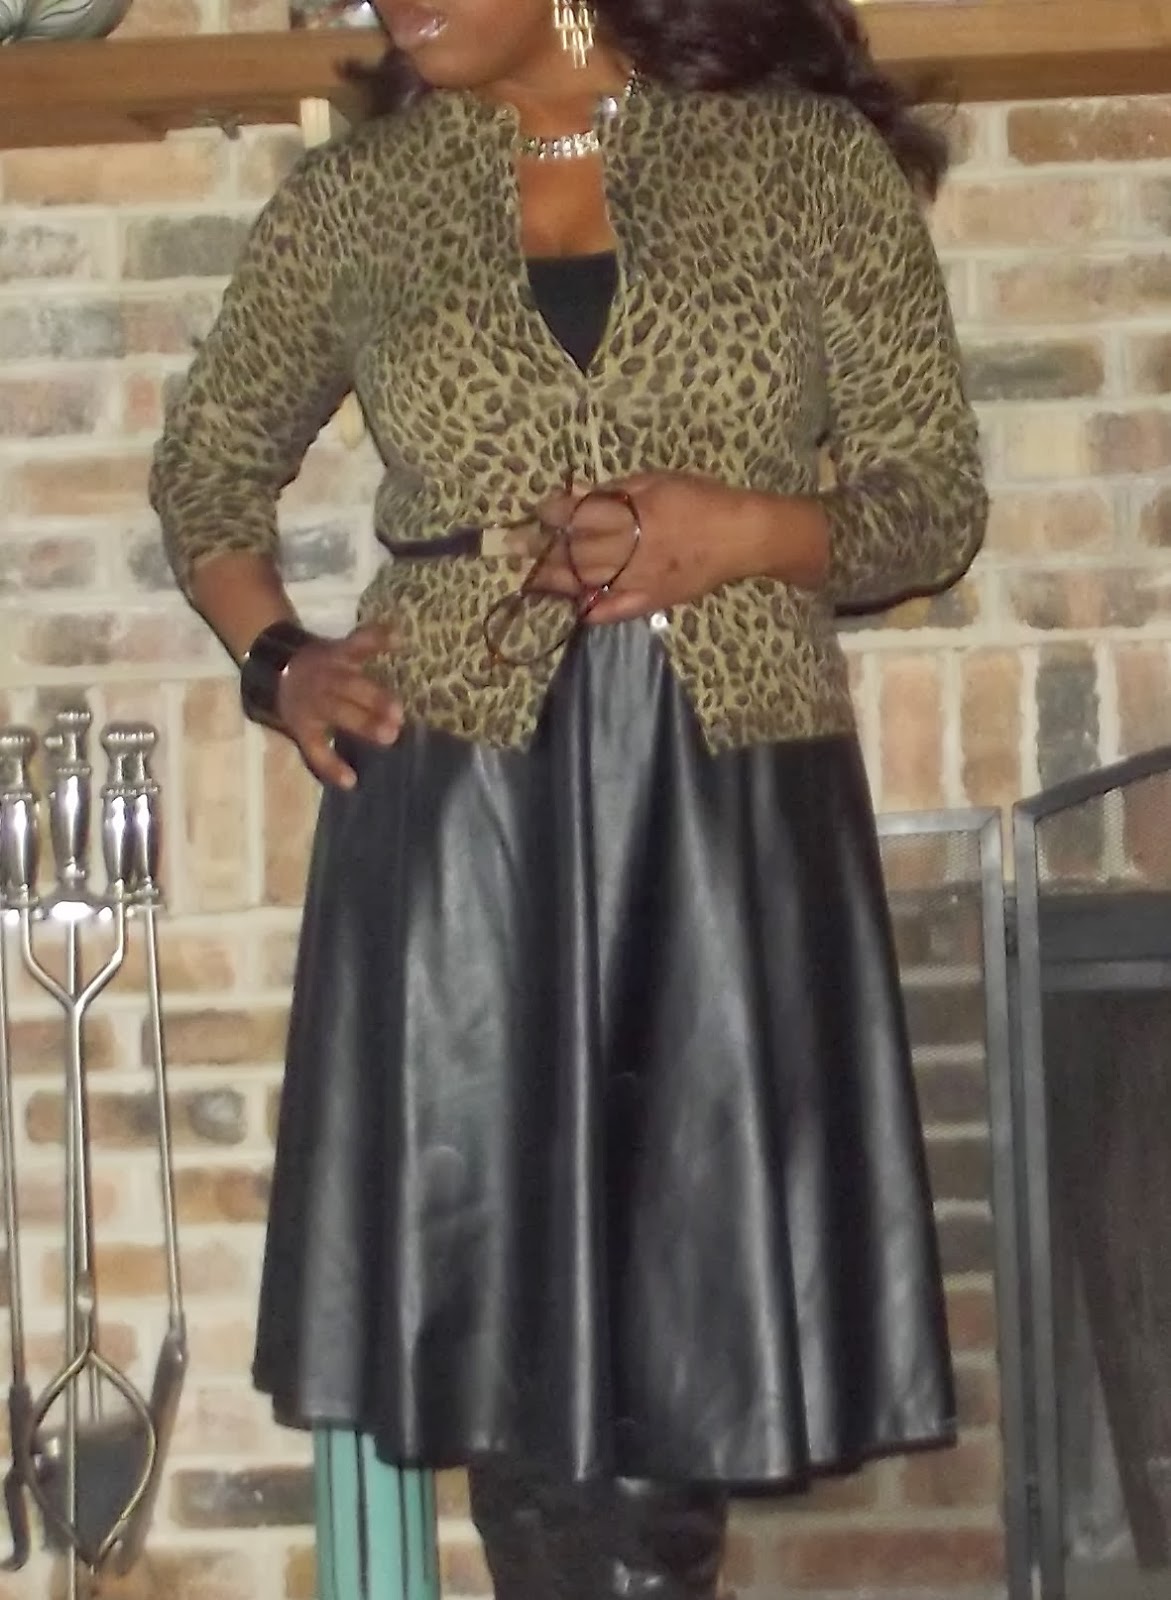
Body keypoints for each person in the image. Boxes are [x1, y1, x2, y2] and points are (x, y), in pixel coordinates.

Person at [149, 0, 988, 1592]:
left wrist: (743, 531)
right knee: (508, 1354)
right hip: (457, 805)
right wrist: (282, 664)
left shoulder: (803, 164)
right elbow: (207, 469)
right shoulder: (362, 197)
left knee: (688, 1332)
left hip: (724, 804)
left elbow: (929, 500)